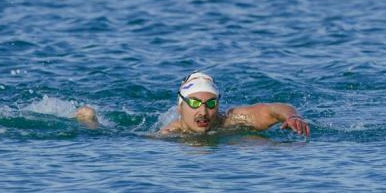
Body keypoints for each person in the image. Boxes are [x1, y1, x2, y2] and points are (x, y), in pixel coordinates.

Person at [74, 72, 311, 137]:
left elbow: (274, 108)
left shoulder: (233, 119)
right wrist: (92, 127)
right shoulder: (171, 132)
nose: (203, 111)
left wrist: (292, 116)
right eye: (195, 103)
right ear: (180, 107)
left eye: (210, 103)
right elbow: (120, 139)